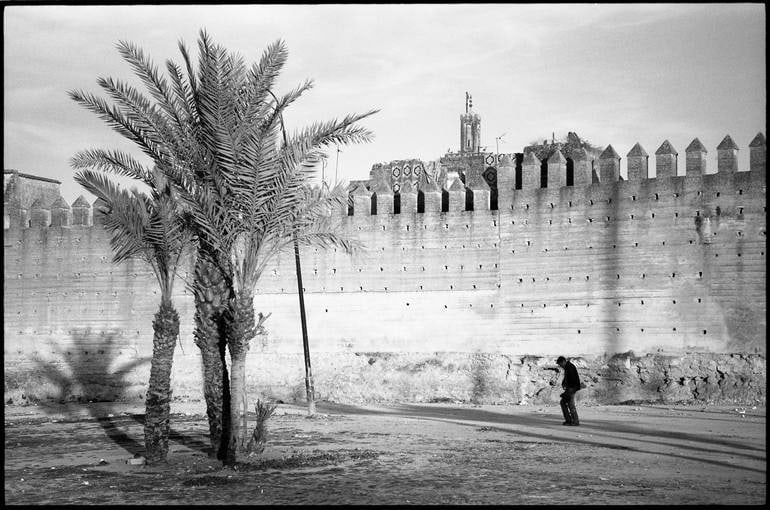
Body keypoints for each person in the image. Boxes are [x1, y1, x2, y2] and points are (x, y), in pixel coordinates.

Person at [556, 356, 581, 426]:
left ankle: (574, 421)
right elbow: (567, 378)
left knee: (570, 404)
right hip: (570, 389)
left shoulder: (570, 367)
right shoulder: (567, 367)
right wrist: (564, 383)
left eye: (560, 365)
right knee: (564, 403)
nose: (561, 366)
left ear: (563, 361)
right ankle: (569, 420)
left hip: (571, 389)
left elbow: (573, 380)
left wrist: (568, 391)